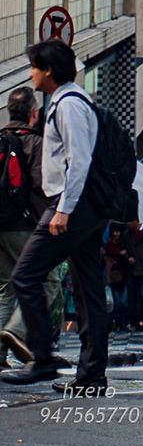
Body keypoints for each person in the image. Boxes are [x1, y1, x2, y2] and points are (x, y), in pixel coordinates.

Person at [3, 41, 108, 394]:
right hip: (82, 206)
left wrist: (63, 209)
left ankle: (43, 360)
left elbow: (79, 160)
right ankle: (91, 375)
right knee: (87, 289)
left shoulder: (68, 105)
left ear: (48, 71)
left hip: (71, 207)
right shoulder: (68, 101)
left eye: (34, 67)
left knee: (26, 275)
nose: (30, 73)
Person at [0, 85, 63, 370]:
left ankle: (0, 357)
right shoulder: (35, 143)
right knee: (46, 281)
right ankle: (17, 330)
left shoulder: (1, 139)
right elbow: (42, 187)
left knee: (5, 288)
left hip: (0, 225)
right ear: (34, 113)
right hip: (24, 226)